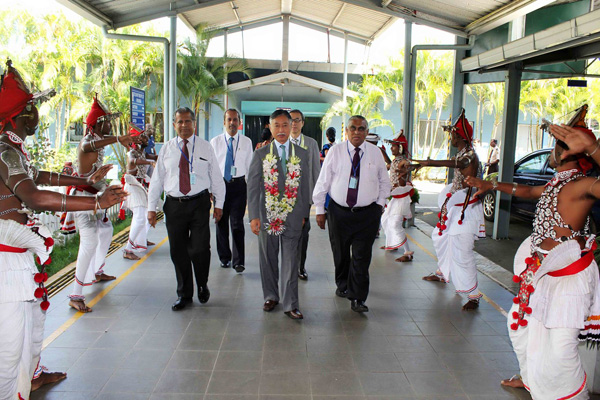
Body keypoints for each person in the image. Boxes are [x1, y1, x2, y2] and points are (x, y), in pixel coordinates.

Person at [0, 61, 127, 400]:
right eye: (31, 108)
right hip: (6, 262)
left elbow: (41, 175)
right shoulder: (4, 149)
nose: (36, 114)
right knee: (12, 343)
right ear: (17, 116)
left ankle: (34, 375)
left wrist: (83, 182)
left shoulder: (13, 149)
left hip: (20, 258)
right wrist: (96, 203)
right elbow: (35, 196)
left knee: (33, 324)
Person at [466, 104, 600, 399]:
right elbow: (526, 191)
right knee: (522, 328)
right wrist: (491, 184)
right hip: (538, 270)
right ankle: (530, 378)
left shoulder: (583, 185)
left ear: (568, 152)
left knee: (561, 346)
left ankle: (572, 395)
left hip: (568, 277)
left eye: (554, 146)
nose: (551, 152)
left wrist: (593, 146)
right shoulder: (557, 182)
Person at [148, 107, 225, 311]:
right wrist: (150, 208)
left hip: (199, 204)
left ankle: (202, 284)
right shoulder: (166, 148)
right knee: (178, 251)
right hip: (174, 205)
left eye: (187, 121)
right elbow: (157, 180)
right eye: (179, 122)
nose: (183, 125)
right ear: (174, 124)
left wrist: (219, 204)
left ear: (194, 123)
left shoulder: (205, 147)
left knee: (200, 248)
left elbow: (216, 178)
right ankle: (184, 294)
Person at [313, 115, 391, 312]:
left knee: (361, 257)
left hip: (367, 215)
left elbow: (384, 182)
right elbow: (323, 181)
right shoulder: (335, 152)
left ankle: (358, 297)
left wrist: (379, 206)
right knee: (340, 253)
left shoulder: (375, 153)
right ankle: (343, 284)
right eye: (353, 128)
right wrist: (320, 210)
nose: (357, 132)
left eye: (361, 128)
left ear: (367, 131)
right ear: (346, 131)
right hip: (338, 212)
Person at [68, 95, 137, 312]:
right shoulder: (88, 141)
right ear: (98, 123)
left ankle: (96, 271)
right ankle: (75, 294)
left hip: (94, 198)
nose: (109, 124)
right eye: (107, 121)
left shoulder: (97, 141)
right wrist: (117, 138)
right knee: (88, 242)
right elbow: (92, 144)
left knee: (106, 230)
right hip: (83, 200)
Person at [414, 109, 486, 311]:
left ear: (461, 135)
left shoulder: (469, 155)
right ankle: (443, 272)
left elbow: (460, 164)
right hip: (454, 209)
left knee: (462, 252)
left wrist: (431, 163)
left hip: (466, 210)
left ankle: (473, 295)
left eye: (453, 133)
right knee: (440, 237)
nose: (451, 137)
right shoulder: (464, 152)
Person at [247, 109, 310, 319]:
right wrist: (254, 216)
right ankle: (271, 296)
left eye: (285, 125)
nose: (281, 130)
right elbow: (254, 187)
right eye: (277, 125)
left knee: (291, 260)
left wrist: (304, 212)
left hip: (293, 216)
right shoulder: (260, 154)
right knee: (268, 257)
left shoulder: (301, 154)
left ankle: (291, 303)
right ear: (270, 127)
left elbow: (304, 187)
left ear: (292, 125)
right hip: (267, 216)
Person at [210, 109, 253, 273]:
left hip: (239, 187)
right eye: (229, 120)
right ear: (224, 122)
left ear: (239, 122)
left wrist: (250, 189)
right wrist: (210, 189)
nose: (232, 123)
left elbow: (249, 166)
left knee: (237, 223)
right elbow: (211, 168)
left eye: (235, 120)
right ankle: (224, 257)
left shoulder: (246, 142)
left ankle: (238, 261)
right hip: (220, 186)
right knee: (221, 222)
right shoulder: (215, 142)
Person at [289, 109, 321, 280]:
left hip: (304, 197)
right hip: (284, 197)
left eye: (297, 120)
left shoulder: (312, 143)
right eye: (291, 120)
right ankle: (288, 266)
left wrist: (316, 198)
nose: (294, 123)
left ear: (302, 123)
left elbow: (316, 171)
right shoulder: (280, 142)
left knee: (303, 231)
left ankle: (300, 267)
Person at [380, 131, 416, 262]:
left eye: (394, 146)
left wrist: (405, 171)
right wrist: (381, 151)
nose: (391, 148)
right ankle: (392, 244)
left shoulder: (404, 162)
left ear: (400, 147)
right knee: (385, 219)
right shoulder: (396, 161)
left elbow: (408, 166)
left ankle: (408, 252)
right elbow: (389, 163)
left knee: (395, 224)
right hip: (395, 197)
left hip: (402, 198)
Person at [122, 127, 155, 260]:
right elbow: (132, 161)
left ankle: (140, 241)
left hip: (140, 185)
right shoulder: (132, 153)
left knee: (145, 215)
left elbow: (154, 157)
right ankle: (128, 249)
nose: (147, 139)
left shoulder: (142, 153)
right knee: (140, 217)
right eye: (144, 137)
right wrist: (150, 162)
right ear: (137, 139)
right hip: (133, 186)